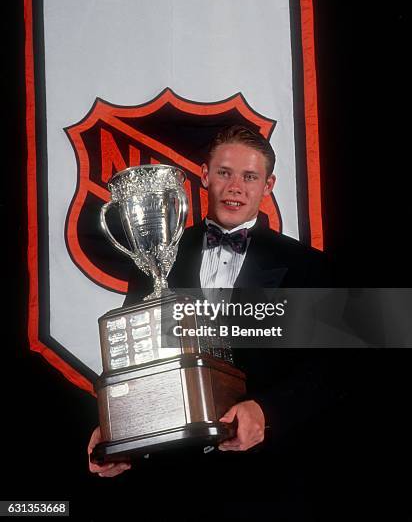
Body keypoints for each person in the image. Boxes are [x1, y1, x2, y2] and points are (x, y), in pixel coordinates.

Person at [88, 124, 338, 479]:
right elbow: (133, 353)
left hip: (269, 473)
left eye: (250, 177)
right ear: (204, 175)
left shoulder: (309, 266)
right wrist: (111, 426)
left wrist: (268, 412)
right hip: (173, 475)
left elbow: (333, 369)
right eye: (224, 173)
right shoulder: (154, 259)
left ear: (268, 186)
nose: (235, 188)